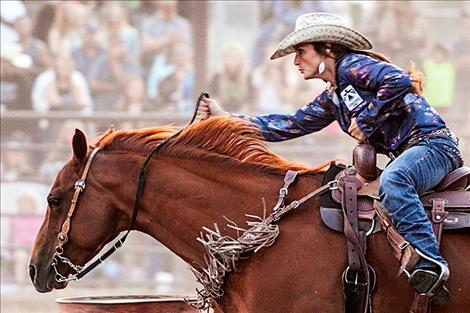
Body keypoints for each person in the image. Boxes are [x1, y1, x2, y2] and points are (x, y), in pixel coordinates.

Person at [197, 12, 464, 305]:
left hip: (433, 146)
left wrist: (368, 120)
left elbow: (398, 80)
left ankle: (431, 264)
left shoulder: (352, 65)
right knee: (392, 180)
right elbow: (290, 124)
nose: (296, 61)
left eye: (301, 52)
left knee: (395, 180)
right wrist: (226, 121)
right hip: (415, 152)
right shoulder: (332, 98)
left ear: (325, 49)